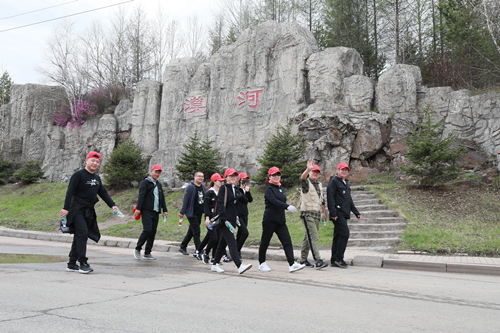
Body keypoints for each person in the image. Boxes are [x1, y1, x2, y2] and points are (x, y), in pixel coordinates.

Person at [60, 151, 119, 274]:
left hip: (88, 211)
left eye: (97, 162)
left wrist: (112, 205)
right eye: (92, 160)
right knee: (83, 233)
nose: (95, 163)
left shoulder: (96, 178)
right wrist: (66, 208)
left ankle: (71, 264)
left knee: (80, 236)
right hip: (76, 209)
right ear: (86, 161)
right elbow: (69, 192)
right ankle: (83, 263)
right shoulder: (78, 175)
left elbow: (102, 192)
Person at [258, 166, 305, 273]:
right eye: (274, 175)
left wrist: (285, 206)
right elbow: (274, 201)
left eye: (278, 174)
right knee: (265, 242)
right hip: (270, 220)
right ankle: (261, 263)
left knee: (287, 242)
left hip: (280, 221)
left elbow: (280, 200)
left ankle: (292, 264)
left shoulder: (281, 188)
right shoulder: (269, 188)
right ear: (269, 176)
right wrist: (287, 206)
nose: (276, 176)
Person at [210, 168, 252, 275]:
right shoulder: (223, 188)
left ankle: (215, 264)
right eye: (230, 176)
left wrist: (246, 191)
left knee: (222, 243)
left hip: (233, 220)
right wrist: (225, 220)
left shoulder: (235, 189)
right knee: (232, 243)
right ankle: (239, 265)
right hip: (225, 221)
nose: (233, 178)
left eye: (234, 176)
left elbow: (244, 201)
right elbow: (220, 204)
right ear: (226, 178)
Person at [327, 162, 361, 268]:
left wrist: (356, 212)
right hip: (337, 213)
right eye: (342, 169)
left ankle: (333, 260)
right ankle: (339, 258)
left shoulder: (345, 182)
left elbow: (349, 200)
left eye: (346, 170)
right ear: (338, 170)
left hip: (344, 213)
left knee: (337, 236)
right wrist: (333, 213)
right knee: (345, 233)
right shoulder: (334, 181)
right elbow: (330, 197)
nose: (344, 171)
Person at [133, 164, 168, 260]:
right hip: (146, 210)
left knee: (153, 232)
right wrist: (138, 209)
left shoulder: (159, 184)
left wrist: (165, 210)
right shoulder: (145, 182)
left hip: (156, 211)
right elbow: (141, 196)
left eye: (159, 172)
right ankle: (137, 248)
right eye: (155, 172)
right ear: (151, 171)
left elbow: (162, 198)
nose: (157, 174)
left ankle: (147, 252)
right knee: (147, 230)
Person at [299, 159, 328, 269]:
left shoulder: (319, 185)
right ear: (310, 173)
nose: (315, 173)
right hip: (307, 214)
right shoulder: (306, 183)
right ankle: (318, 260)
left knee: (308, 237)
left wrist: (324, 213)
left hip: (316, 214)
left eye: (317, 172)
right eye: (313, 171)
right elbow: (302, 179)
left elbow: (322, 200)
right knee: (314, 237)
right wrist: (307, 169)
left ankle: (303, 260)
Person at [197, 173, 224, 264]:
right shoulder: (209, 193)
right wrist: (207, 218)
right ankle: (205, 252)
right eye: (219, 181)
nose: (221, 182)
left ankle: (214, 258)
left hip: (219, 219)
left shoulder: (221, 193)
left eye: (221, 181)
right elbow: (206, 207)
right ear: (214, 181)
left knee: (219, 238)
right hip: (211, 219)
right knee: (213, 238)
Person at [178, 171, 205, 257]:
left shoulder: (203, 187)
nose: (201, 178)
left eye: (202, 177)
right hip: (191, 213)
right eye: (199, 176)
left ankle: (183, 246)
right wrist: (182, 212)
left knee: (192, 231)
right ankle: (199, 251)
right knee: (196, 231)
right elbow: (185, 200)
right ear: (194, 177)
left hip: (199, 213)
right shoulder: (190, 187)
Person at [235, 172, 252, 259]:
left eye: (246, 180)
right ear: (239, 180)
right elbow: (242, 200)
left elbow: (250, 200)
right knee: (245, 233)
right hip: (238, 215)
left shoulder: (246, 189)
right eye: (243, 179)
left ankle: (237, 251)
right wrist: (236, 214)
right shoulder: (236, 189)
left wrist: (247, 191)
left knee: (240, 233)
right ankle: (236, 250)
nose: (245, 181)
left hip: (245, 214)